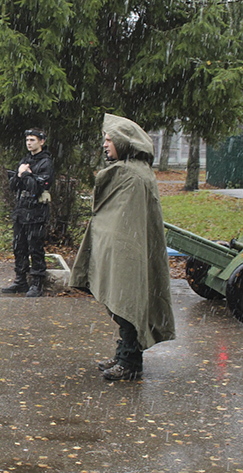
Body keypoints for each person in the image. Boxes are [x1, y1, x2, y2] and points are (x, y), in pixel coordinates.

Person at [69, 113, 176, 381]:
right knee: (123, 300)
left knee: (128, 300)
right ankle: (123, 354)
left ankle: (130, 363)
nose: (105, 145)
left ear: (124, 142)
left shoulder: (132, 174)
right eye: (104, 140)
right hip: (125, 249)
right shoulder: (134, 171)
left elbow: (127, 220)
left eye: (109, 140)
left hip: (129, 251)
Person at [1, 128, 54, 297]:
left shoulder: (46, 162)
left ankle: (37, 283)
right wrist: (20, 175)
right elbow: (13, 186)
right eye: (27, 140)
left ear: (41, 141)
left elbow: (37, 188)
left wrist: (25, 175)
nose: (29, 143)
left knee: (35, 247)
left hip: (36, 211)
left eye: (32, 140)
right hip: (21, 209)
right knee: (19, 246)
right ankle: (20, 280)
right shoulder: (25, 161)